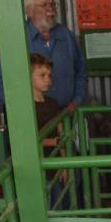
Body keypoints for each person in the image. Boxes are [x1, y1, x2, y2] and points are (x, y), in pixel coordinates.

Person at [0, 0, 86, 110]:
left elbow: (80, 74)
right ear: (29, 11)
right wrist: (24, 108)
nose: (50, 9)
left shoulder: (66, 35)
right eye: (44, 5)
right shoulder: (16, 39)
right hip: (34, 119)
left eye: (52, 4)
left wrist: (76, 101)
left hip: (66, 115)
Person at [30, 53, 68, 210]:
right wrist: (51, 141)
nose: (48, 79)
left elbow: (61, 134)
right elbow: (26, 139)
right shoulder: (25, 107)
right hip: (35, 166)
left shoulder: (53, 104)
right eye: (42, 75)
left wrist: (65, 164)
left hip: (55, 164)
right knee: (44, 207)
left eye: (49, 75)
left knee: (58, 203)